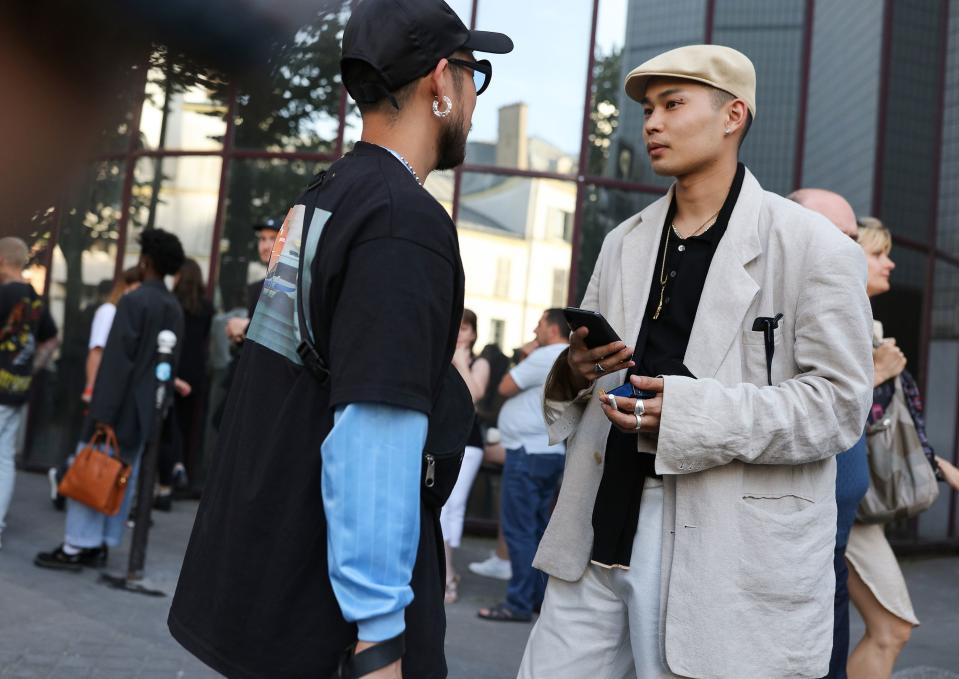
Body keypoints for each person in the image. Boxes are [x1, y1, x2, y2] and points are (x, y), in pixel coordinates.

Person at [167, 3, 513, 677]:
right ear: (441, 81)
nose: (474, 96)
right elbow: (373, 433)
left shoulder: (330, 192)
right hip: (332, 624)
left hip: (271, 590)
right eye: (475, 74)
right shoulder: (401, 221)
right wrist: (380, 636)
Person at [518, 45, 874, 678]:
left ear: (733, 114)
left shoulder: (812, 245)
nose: (652, 122)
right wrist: (575, 369)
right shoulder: (624, 240)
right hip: (597, 522)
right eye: (649, 109)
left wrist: (689, 412)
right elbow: (584, 379)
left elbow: (838, 407)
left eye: (673, 104)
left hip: (719, 538)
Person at [845, 217, 959, 679]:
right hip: (845, 501)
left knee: (889, 628)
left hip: (855, 500)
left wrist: (939, 464)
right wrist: (878, 373)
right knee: (891, 628)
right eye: (877, 253)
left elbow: (888, 425)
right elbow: (832, 413)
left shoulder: (865, 324)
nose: (889, 263)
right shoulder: (846, 323)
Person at [34, 228, 184, 570]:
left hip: (116, 408)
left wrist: (101, 411)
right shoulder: (172, 307)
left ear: (146, 261)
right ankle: (102, 542)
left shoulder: (133, 301)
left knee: (91, 468)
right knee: (121, 479)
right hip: (146, 411)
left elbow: (117, 363)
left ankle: (76, 546)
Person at [788, 188, 871, 679]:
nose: (849, 252)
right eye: (835, 237)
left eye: (854, 239)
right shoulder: (773, 312)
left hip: (831, 548)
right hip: (788, 547)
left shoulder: (848, 311)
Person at [478, 308, 568, 622]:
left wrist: (526, 355)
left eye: (540, 324)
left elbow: (505, 387)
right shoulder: (564, 356)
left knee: (519, 530)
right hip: (545, 452)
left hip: (527, 453)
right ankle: (536, 599)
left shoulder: (547, 356)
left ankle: (517, 603)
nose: (535, 329)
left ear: (553, 329)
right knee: (536, 530)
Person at [48, 266, 142, 510]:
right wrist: (90, 389)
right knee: (92, 445)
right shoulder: (110, 311)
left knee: (97, 445)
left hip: (108, 389)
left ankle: (68, 480)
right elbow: (96, 352)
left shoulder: (123, 311)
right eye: (134, 287)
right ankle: (64, 478)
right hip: (99, 389)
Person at [0, 237, 58, 549]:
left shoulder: (4, 293)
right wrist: (29, 369)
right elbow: (52, 340)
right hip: (17, 389)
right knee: (4, 458)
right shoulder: (34, 297)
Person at [154, 258, 213, 510]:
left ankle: (166, 480)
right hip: (196, 371)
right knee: (185, 426)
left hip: (174, 368)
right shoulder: (207, 307)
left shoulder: (171, 303)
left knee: (167, 426)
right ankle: (178, 468)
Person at [441, 309, 490, 604]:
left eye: (465, 327)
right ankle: (443, 570)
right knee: (442, 505)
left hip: (468, 442)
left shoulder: (478, 362)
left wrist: (461, 362)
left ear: (473, 333)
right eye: (456, 326)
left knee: (453, 505)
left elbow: (474, 397)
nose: (459, 332)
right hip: (440, 438)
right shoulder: (442, 356)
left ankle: (447, 573)